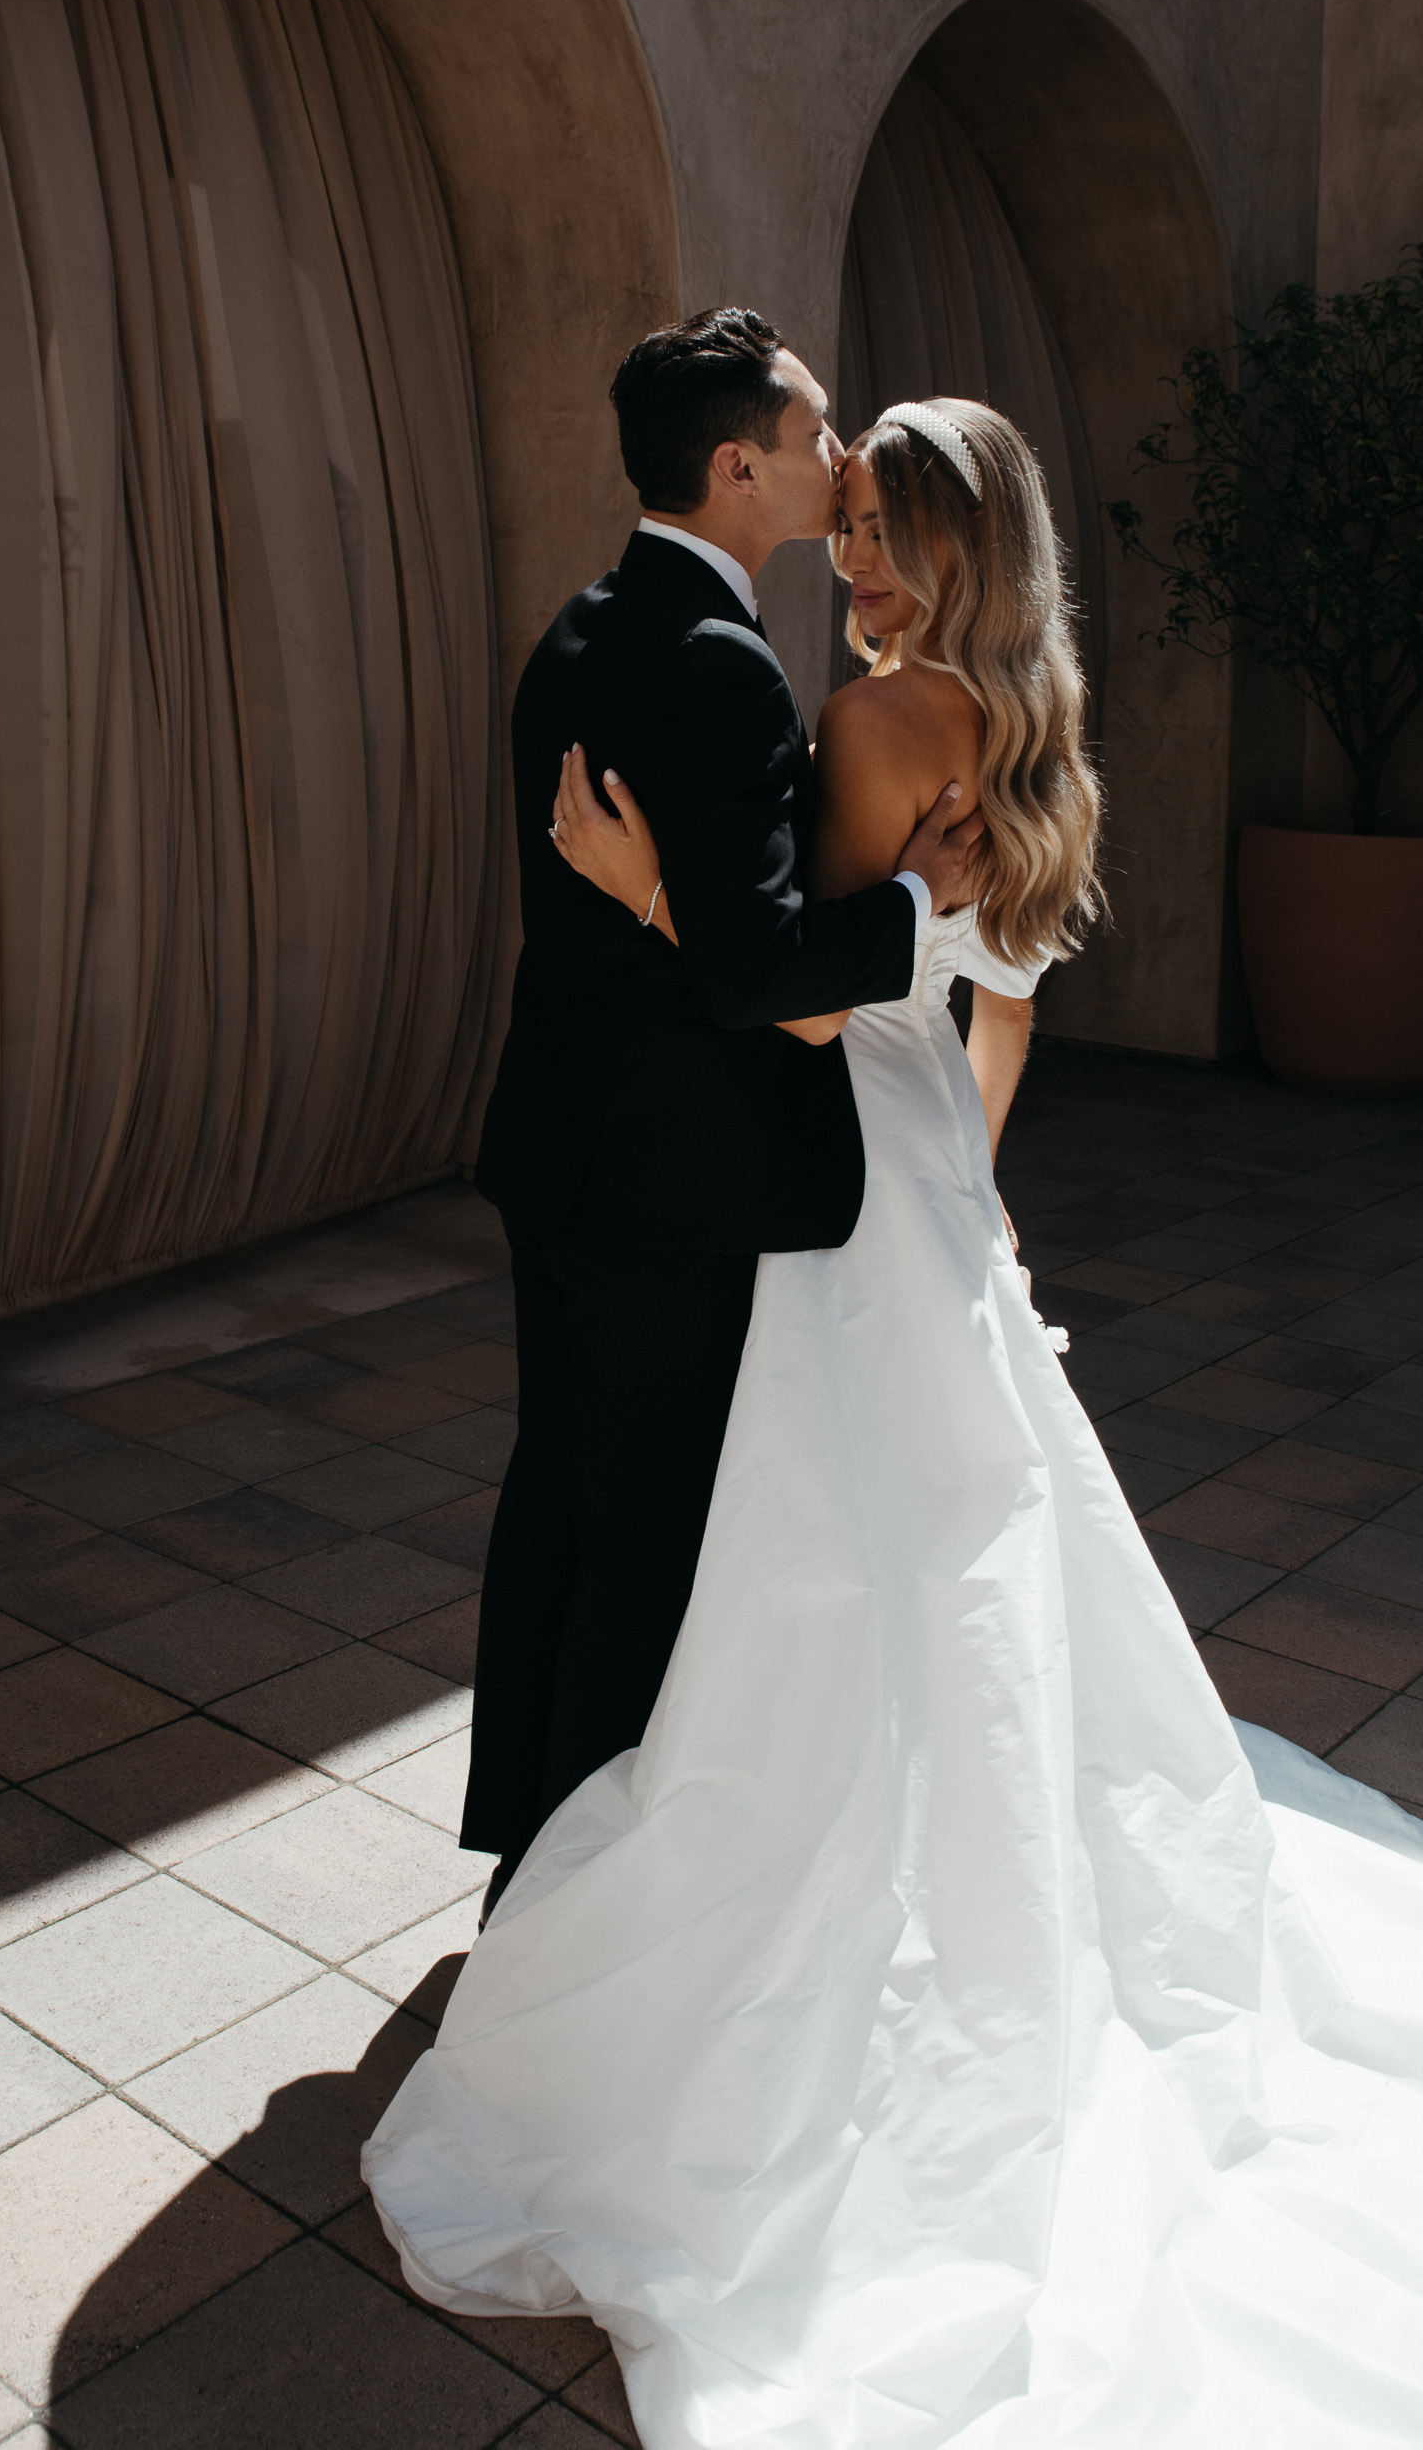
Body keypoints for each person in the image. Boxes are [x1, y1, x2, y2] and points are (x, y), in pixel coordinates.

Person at [368, 394, 1423, 2448]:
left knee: (823, 1598)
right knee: (934, 1593)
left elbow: (799, 1000)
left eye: (884, 537)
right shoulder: (1029, 723)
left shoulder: (887, 725)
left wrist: (640, 889)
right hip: (921, 1213)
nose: (854, 570)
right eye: (847, 526)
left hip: (840, 1205)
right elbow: (1008, 1004)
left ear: (960, 552)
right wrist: (959, 1217)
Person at [461, 311, 985, 1908]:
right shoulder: (720, 667)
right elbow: (765, 976)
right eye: (817, 432)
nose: (839, 461)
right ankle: (581, 1910)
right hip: (665, 1193)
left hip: (558, 1158)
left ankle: (525, 1851)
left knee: (556, 1497)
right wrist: (911, 909)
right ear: (739, 462)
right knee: (644, 1544)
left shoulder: (578, 628)